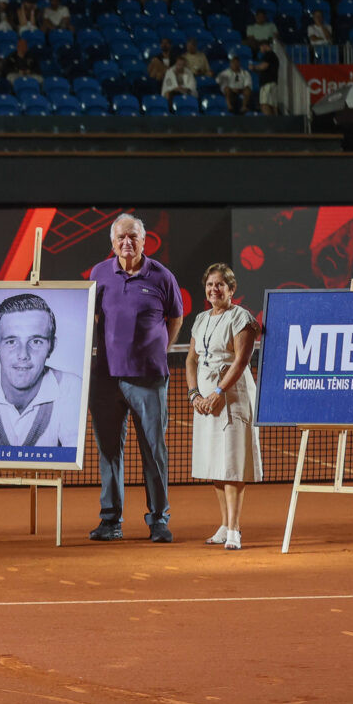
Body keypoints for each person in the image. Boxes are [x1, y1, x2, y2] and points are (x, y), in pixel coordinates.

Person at [87, 214, 183, 543]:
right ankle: (110, 521)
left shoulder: (162, 277)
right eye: (120, 238)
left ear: (144, 240)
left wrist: (159, 350)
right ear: (112, 243)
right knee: (108, 451)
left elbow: (176, 317)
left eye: (133, 237)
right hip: (105, 380)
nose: (127, 243)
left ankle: (158, 519)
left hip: (149, 380)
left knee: (154, 450)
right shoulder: (99, 274)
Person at [184, 264, 261, 551]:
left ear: (231, 289)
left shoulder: (242, 318)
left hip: (233, 397)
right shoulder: (201, 318)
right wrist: (195, 395)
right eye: (210, 285)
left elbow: (241, 361)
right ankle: (224, 523)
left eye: (220, 285)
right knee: (213, 464)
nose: (214, 289)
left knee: (232, 464)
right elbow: (191, 359)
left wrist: (218, 392)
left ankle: (235, 529)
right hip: (205, 401)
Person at [0, 294, 83, 448]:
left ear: (51, 347)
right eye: (11, 342)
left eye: (36, 341)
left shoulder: (72, 387)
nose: (23, 355)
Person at [252, 43, 278, 115]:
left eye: (260, 48)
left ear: (264, 46)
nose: (260, 50)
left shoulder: (268, 55)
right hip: (272, 83)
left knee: (264, 104)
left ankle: (269, 123)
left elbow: (264, 66)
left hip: (267, 83)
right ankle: (276, 123)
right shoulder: (273, 55)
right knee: (273, 105)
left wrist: (253, 67)